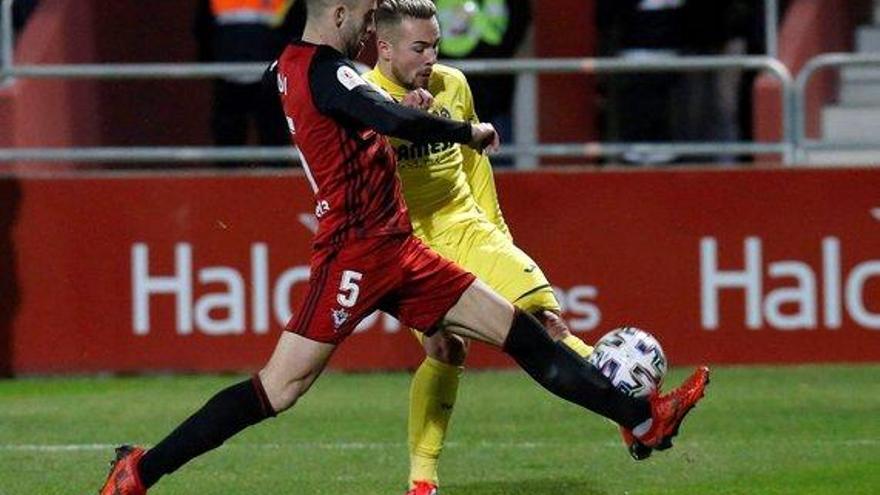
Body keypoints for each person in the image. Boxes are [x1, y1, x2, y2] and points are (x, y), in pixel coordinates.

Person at [99, 0, 709, 493]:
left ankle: (640, 420)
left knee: (523, 332)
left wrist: (400, 107)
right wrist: (464, 131)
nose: (369, 27)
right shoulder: (323, 68)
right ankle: (140, 473)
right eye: (365, 16)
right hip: (356, 256)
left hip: (401, 249)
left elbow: (366, 114)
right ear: (337, 13)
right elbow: (388, 120)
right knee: (276, 390)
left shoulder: (289, 63)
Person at [362, 2, 591, 493]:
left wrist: (497, 234)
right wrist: (400, 126)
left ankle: (630, 400)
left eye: (435, 46)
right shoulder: (365, 100)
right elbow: (361, 183)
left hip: (468, 227)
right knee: (445, 347)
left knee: (546, 321)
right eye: (418, 47)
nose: (430, 58)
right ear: (384, 48)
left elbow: (473, 167)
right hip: (412, 246)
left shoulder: (453, 85)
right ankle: (422, 478)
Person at [194, 0, 297, 164]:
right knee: (228, 147)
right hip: (228, 78)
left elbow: (295, 29)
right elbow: (203, 30)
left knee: (274, 145)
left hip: (269, 79)